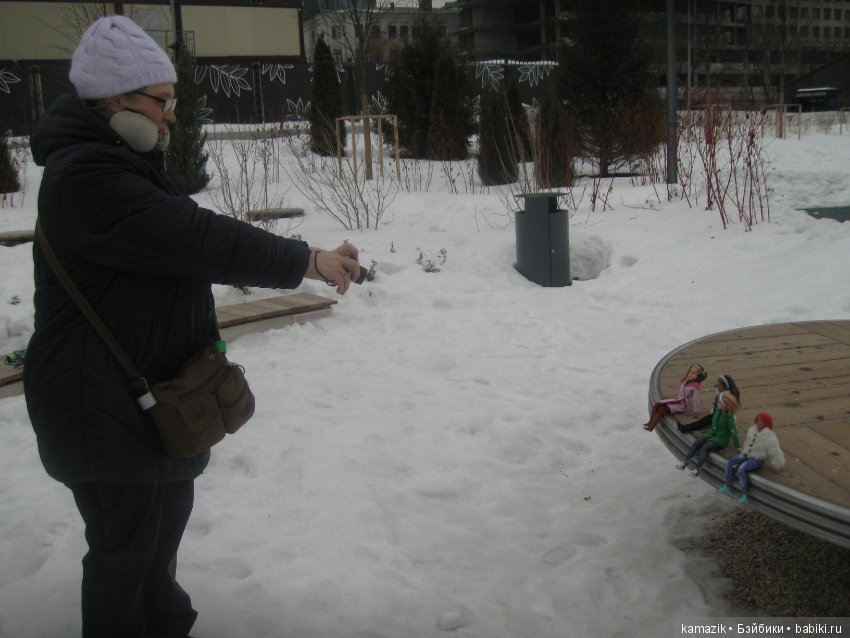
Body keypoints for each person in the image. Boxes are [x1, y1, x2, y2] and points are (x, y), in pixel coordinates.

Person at [25, 16, 361, 638]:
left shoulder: (120, 163)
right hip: (96, 403)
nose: (170, 116)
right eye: (162, 102)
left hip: (144, 399)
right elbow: (196, 238)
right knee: (125, 556)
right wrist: (303, 259)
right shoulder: (88, 179)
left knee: (157, 538)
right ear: (115, 100)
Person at [719, 412, 785, 504]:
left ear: (766, 423)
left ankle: (745, 495)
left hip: (757, 459)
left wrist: (778, 465)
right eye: (757, 420)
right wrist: (743, 450)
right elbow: (747, 443)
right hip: (747, 454)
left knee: (742, 469)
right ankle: (727, 484)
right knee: (730, 461)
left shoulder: (770, 437)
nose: (759, 422)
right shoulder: (752, 430)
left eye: (762, 421)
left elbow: (775, 453)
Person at [675, 391, 741, 477]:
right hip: (712, 434)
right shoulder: (718, 412)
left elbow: (734, 433)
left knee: (705, 448)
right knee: (696, 442)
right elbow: (713, 423)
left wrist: (738, 446)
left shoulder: (729, 419)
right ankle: (685, 462)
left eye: (720, 403)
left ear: (726, 405)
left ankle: (697, 470)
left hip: (721, 438)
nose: (718, 403)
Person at [643, 363, 706, 432]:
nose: (690, 374)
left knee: (663, 409)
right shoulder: (687, 380)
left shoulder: (695, 387)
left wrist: (696, 411)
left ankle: (651, 427)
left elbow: (696, 400)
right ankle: (650, 422)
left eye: (693, 373)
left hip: (683, 405)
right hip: (678, 400)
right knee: (658, 404)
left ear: (699, 376)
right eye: (690, 372)